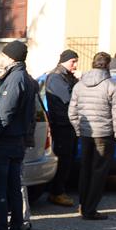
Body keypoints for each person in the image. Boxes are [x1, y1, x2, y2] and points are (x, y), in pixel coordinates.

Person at [0, 40, 37, 230]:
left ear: (11, 57)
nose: (2, 58)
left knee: (2, 190)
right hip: (17, 140)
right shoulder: (26, 78)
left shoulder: (15, 79)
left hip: (6, 141)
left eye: (4, 55)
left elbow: (4, 112)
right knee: (14, 188)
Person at [68, 51, 116, 220]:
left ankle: (83, 205)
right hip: (104, 133)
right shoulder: (113, 85)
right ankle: (90, 209)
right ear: (108, 65)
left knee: (85, 169)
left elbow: (72, 112)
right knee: (99, 172)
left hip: (86, 133)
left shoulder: (79, 85)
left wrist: (79, 130)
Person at [42, 49, 79, 207]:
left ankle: (59, 190)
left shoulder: (65, 76)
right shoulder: (57, 77)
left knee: (68, 158)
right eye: (73, 62)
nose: (76, 66)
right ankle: (57, 192)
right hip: (62, 124)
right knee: (63, 158)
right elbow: (69, 99)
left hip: (68, 124)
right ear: (65, 60)